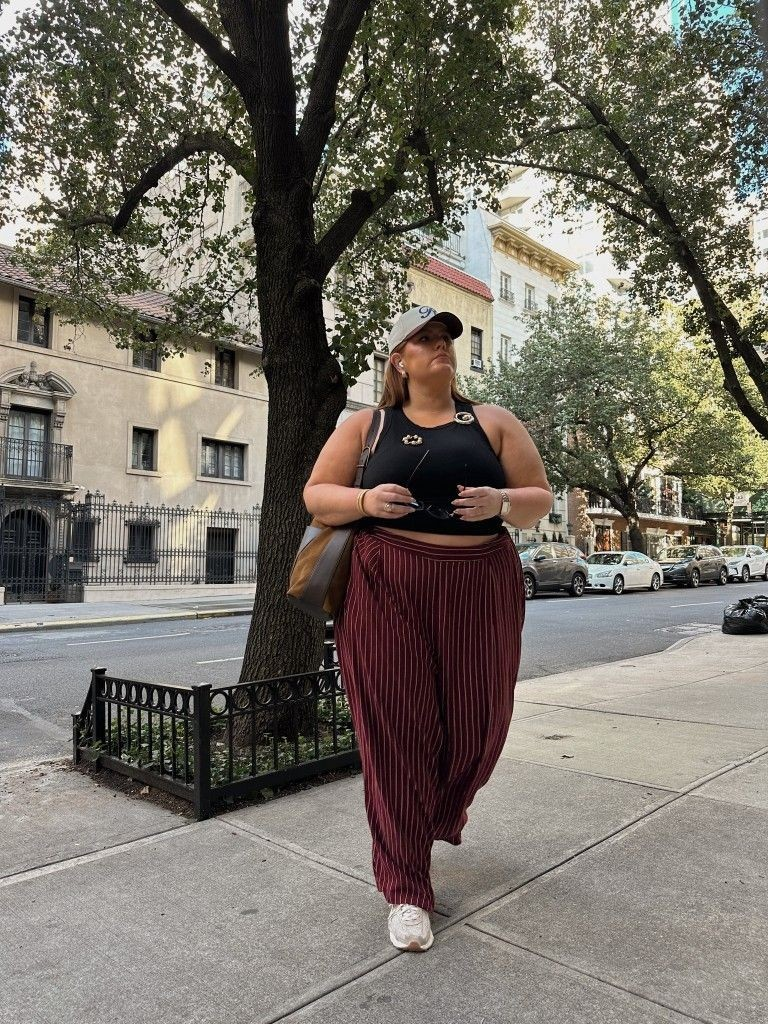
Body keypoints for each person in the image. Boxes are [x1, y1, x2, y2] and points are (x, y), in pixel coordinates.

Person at [303, 306, 552, 952]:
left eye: (445, 338)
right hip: (386, 585)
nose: (439, 346)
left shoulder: (492, 422)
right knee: (396, 737)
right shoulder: (369, 425)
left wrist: (500, 502)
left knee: (480, 722)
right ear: (399, 361)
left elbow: (539, 497)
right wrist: (364, 502)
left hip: (479, 585)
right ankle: (407, 887)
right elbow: (315, 494)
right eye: (424, 339)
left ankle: (435, 813)